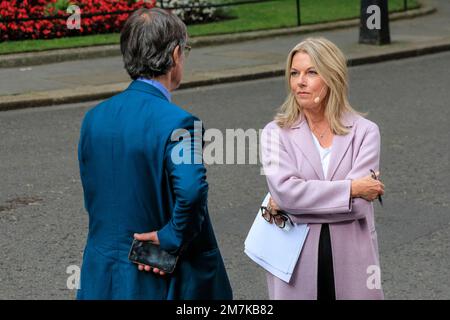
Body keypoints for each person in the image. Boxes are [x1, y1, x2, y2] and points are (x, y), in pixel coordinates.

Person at [77, 8, 232, 300]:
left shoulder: (93, 118)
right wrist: (171, 236)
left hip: (102, 272)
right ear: (175, 55)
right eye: (185, 50)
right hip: (160, 276)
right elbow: (192, 191)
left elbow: (96, 193)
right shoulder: (180, 123)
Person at [260, 37, 385, 300]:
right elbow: (287, 194)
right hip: (295, 260)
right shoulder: (275, 133)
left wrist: (293, 205)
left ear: (332, 76)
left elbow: (360, 207)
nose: (300, 82)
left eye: (311, 72)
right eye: (294, 73)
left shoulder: (365, 132)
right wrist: (351, 189)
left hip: (353, 259)